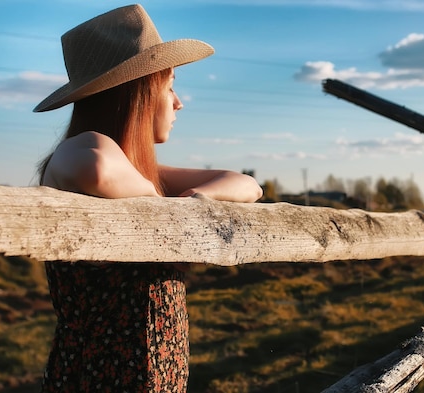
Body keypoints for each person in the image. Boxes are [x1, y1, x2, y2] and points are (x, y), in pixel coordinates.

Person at [34, 4, 263, 392]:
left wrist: (193, 203)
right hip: (98, 379)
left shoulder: (142, 173)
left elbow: (246, 185)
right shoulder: (85, 147)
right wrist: (158, 201)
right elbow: (96, 169)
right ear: (137, 90)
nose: (178, 102)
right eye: (170, 85)